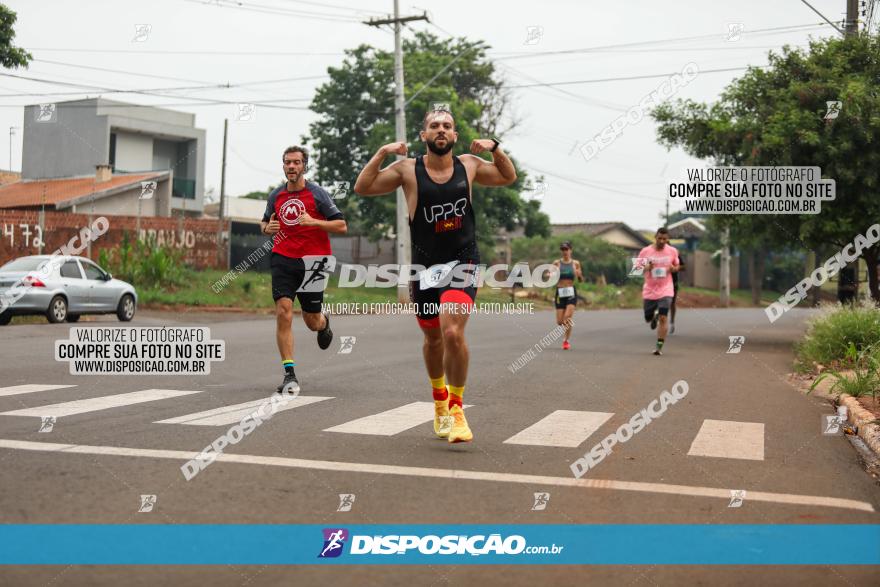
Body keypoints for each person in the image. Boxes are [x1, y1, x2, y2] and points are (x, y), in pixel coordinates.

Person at [354, 109, 517, 443]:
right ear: (423, 135)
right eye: (434, 126)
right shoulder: (406, 170)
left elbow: (507, 177)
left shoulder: (469, 165)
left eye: (447, 126)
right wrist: (383, 152)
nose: (441, 130)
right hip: (424, 268)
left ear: (455, 136)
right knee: (433, 339)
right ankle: (439, 400)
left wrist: (495, 147)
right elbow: (363, 187)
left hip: (463, 262)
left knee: (453, 333)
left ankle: (457, 410)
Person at [261, 145, 347, 394]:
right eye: (287, 162)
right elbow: (265, 222)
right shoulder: (276, 195)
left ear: (304, 166)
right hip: (283, 259)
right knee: (284, 311)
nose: (291, 166)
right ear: (283, 165)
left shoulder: (318, 194)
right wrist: (266, 228)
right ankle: (290, 374)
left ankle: (324, 321)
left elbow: (341, 225)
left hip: (314, 262)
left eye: (296, 162)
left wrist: (314, 221)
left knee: (311, 321)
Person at [638, 227, 680, 356]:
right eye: (659, 238)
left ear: (668, 240)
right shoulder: (645, 251)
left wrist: (673, 269)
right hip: (650, 289)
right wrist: (647, 267)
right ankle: (652, 317)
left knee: (663, 317)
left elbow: (677, 266)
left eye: (665, 239)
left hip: (666, 289)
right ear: (655, 237)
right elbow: (636, 269)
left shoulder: (672, 251)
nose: (662, 241)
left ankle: (659, 347)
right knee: (647, 318)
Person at [552, 241, 583, 349]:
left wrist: (579, 275)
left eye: (566, 249)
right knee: (560, 322)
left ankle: (566, 340)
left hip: (571, 292)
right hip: (560, 292)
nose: (565, 251)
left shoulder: (576, 263)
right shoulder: (557, 263)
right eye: (563, 250)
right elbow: (551, 276)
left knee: (567, 318)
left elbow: (580, 280)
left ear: (571, 250)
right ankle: (566, 331)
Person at [669, 253, 686, 334]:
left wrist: (676, 268)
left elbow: (683, 267)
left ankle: (672, 322)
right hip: (659, 283)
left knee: (672, 303)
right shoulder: (656, 254)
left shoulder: (674, 253)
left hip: (673, 283)